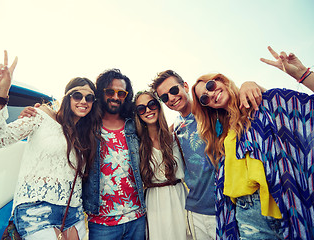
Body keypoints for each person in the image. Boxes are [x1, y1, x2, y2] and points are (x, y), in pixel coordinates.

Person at [0, 51, 101, 239]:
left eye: (89, 98)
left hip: (72, 212)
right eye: (77, 95)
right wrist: (1, 93)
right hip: (35, 209)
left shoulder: (86, 134)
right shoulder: (40, 116)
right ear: (66, 97)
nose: (83, 101)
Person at [191, 47, 314, 239]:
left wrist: (301, 73)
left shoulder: (265, 104)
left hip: (286, 203)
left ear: (222, 80)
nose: (211, 94)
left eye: (210, 86)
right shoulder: (221, 133)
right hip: (247, 215)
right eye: (204, 99)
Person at [150, 70, 262, 239]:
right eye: (164, 97)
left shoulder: (212, 110)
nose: (171, 98)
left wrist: (249, 84)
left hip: (226, 206)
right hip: (196, 210)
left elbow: (236, 99)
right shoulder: (175, 130)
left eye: (174, 90)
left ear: (185, 86)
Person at [82, 69, 146, 240]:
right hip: (102, 223)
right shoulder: (87, 124)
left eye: (121, 93)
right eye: (110, 91)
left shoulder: (134, 125)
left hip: (136, 218)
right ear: (101, 92)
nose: (116, 97)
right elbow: (64, 119)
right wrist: (44, 109)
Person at [134, 90, 188, 240]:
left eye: (151, 104)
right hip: (154, 201)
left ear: (158, 106)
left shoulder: (175, 136)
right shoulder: (137, 144)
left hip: (179, 197)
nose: (148, 110)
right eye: (141, 108)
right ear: (137, 114)